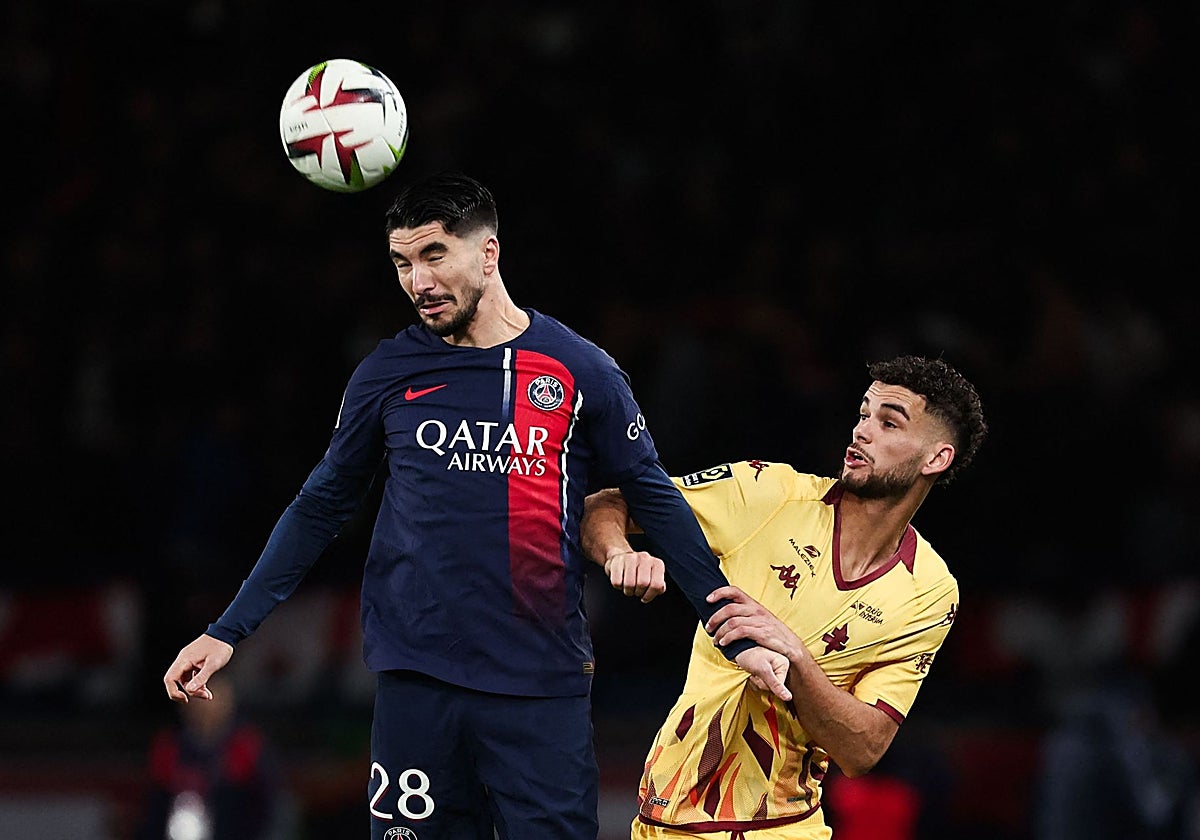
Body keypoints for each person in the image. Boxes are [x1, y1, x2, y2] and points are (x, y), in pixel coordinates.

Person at [161, 171, 787, 840]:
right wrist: (228, 629)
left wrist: (735, 629)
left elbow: (653, 497)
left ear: (487, 253)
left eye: (434, 255)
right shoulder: (386, 373)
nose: (417, 280)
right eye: (402, 261)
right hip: (416, 684)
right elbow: (319, 506)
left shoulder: (580, 371)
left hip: (540, 689)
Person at [584, 354, 987, 839]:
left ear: (936, 458)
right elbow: (610, 502)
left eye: (888, 423)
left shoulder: (929, 591)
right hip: (660, 821)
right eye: (863, 415)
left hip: (783, 826)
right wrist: (618, 553)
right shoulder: (768, 493)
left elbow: (862, 751)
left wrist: (793, 653)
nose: (862, 432)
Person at [137, 679, 287, 840]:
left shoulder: (247, 747)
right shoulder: (168, 747)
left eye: (214, 700)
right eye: (198, 700)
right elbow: (153, 808)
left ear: (229, 704)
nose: (206, 708)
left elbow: (266, 805)